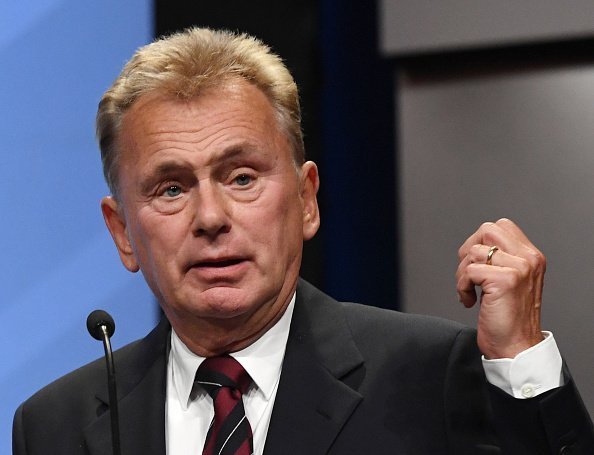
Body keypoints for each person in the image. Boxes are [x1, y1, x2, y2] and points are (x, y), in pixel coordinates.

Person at [12, 27, 594, 455]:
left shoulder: (428, 377)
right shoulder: (55, 427)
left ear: (307, 198)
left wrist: (520, 356)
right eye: (170, 188)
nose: (210, 217)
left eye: (242, 177)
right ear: (123, 233)